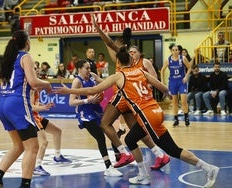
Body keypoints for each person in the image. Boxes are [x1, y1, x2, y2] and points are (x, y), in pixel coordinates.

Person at [54, 46, 219, 187]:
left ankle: (208, 168)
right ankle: (143, 175)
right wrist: (168, 93)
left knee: (173, 150)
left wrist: (69, 91)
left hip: (147, 116)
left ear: (118, 62)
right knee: (131, 139)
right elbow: (160, 86)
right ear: (131, 60)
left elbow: (92, 91)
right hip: (154, 111)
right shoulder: (140, 70)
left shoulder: (119, 75)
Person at [92, 16, 169, 170]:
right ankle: (160, 155)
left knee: (105, 124)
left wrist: (98, 29)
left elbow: (109, 43)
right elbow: (109, 45)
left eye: (117, 43)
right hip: (131, 97)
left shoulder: (125, 55)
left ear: (122, 46)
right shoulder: (128, 59)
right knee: (136, 131)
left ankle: (124, 153)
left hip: (123, 95)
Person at [0, 30, 53, 188]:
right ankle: (25, 185)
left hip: (2, 104)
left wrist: (35, 87)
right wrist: (47, 84)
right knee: (33, 147)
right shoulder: (25, 56)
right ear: (26, 42)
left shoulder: (8, 59)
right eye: (29, 40)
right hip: (17, 105)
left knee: (19, 146)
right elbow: (33, 82)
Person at [69, 59, 122, 177]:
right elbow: (71, 102)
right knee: (100, 136)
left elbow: (105, 82)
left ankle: (119, 155)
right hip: (85, 113)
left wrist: (117, 81)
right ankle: (108, 167)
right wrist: (88, 100)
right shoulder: (77, 81)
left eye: (89, 68)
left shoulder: (92, 76)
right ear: (79, 69)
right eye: (86, 68)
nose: (89, 70)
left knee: (110, 130)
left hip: (97, 109)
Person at [31, 89, 71, 176]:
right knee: (44, 142)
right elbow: (31, 107)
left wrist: (45, 105)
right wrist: (43, 108)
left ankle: (57, 156)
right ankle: (36, 167)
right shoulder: (31, 90)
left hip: (37, 117)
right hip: (32, 118)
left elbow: (35, 104)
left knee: (57, 131)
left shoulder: (36, 90)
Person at [160, 44, 192, 127]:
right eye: (173, 50)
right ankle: (176, 119)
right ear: (171, 51)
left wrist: (186, 77)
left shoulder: (183, 58)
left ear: (179, 51)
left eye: (176, 50)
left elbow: (189, 68)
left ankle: (186, 117)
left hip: (182, 81)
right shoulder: (168, 60)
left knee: (184, 100)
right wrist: (162, 82)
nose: (175, 51)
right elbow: (162, 70)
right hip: (173, 82)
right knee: (174, 102)